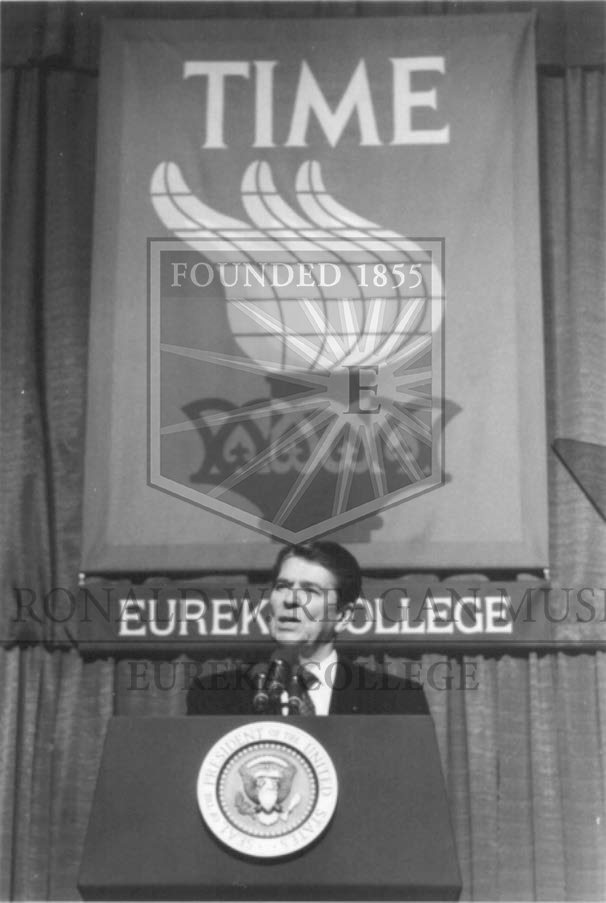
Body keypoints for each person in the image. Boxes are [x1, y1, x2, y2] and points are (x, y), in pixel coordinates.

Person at [186, 540, 429, 716]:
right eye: (282, 586)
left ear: (343, 616)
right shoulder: (214, 697)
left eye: (310, 591)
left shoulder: (397, 701)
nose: (289, 600)